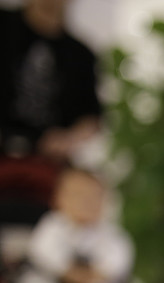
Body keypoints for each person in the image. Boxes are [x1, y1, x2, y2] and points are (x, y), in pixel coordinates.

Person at [0, 0, 101, 219]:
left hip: (49, 166)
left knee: (80, 195)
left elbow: (92, 118)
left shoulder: (81, 54)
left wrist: (68, 139)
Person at [15, 167, 132, 283]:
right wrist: (66, 271)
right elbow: (42, 251)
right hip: (53, 279)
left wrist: (100, 274)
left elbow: (119, 255)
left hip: (92, 281)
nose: (87, 203)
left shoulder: (107, 231)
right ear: (59, 200)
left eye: (95, 197)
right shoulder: (53, 225)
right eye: (79, 196)